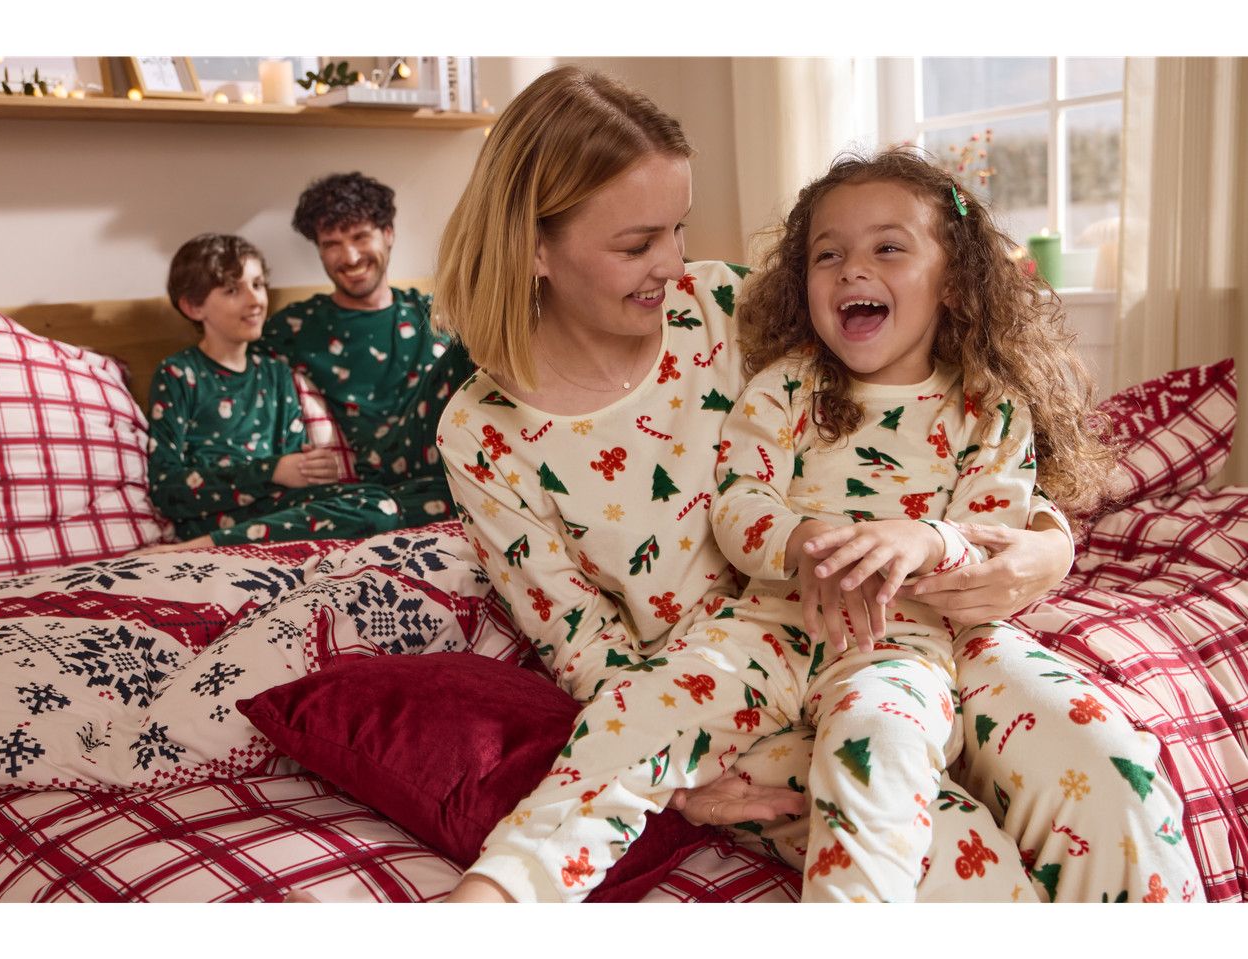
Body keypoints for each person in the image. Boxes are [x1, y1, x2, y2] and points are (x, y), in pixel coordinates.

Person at [436, 68, 1195, 904]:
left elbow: (931, 427)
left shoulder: (724, 305)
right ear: (534, 247)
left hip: (923, 619)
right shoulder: (481, 431)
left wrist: (1048, 544)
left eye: (678, 228)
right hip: (736, 662)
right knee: (960, 864)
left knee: (1110, 774)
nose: (674, 263)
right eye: (636, 243)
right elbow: (584, 647)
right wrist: (684, 781)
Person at [141, 234, 407, 551]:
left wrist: (311, 469)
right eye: (232, 290)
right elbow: (167, 490)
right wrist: (271, 471)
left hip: (275, 515)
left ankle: (237, 542)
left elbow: (292, 467)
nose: (255, 300)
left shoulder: (277, 374)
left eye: (258, 284)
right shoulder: (178, 373)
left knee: (380, 504)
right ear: (194, 306)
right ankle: (198, 546)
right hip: (210, 517)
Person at [254, 173, 473, 526]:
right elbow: (238, 382)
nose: (350, 256)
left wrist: (469, 320)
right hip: (375, 471)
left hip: (451, 459)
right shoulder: (295, 327)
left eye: (360, 236)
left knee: (486, 333)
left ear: (387, 234)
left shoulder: (434, 310)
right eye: (332, 244)